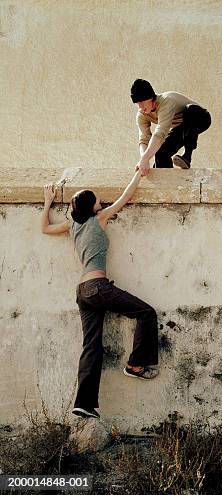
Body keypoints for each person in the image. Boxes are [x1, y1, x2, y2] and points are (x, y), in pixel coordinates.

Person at [41, 172, 159, 419]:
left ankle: (83, 403)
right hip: (98, 286)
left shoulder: (72, 225)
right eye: (97, 201)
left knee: (91, 346)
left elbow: (45, 228)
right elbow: (126, 196)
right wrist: (139, 172)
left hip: (83, 292)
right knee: (147, 313)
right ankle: (135, 364)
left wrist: (47, 202)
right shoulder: (98, 219)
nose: (101, 203)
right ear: (91, 207)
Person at [131, 78, 212, 176]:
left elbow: (159, 135)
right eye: (137, 104)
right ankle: (164, 184)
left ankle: (187, 155)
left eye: (142, 102)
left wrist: (145, 159)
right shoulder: (141, 116)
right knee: (161, 153)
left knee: (190, 110)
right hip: (181, 127)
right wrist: (144, 160)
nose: (140, 107)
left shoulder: (166, 101)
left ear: (150, 98)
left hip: (200, 118)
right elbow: (144, 140)